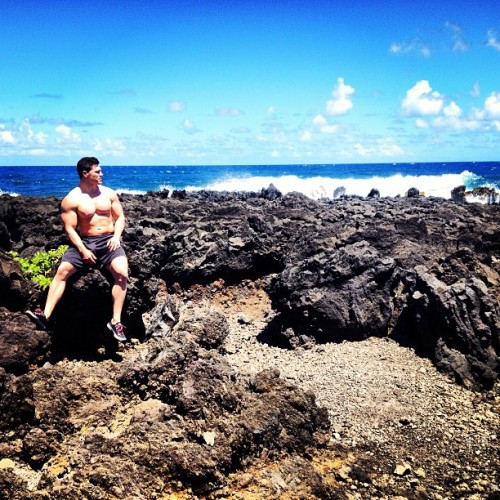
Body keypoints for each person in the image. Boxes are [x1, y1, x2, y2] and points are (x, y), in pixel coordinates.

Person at [26, 157, 129, 341]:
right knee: (63, 270)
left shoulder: (109, 193)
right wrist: (82, 250)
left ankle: (115, 322)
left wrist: (116, 237)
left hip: (108, 241)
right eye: (97, 171)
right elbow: (69, 229)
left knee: (122, 273)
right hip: (86, 241)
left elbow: (120, 218)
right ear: (85, 173)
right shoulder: (72, 199)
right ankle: (46, 315)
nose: (101, 174)